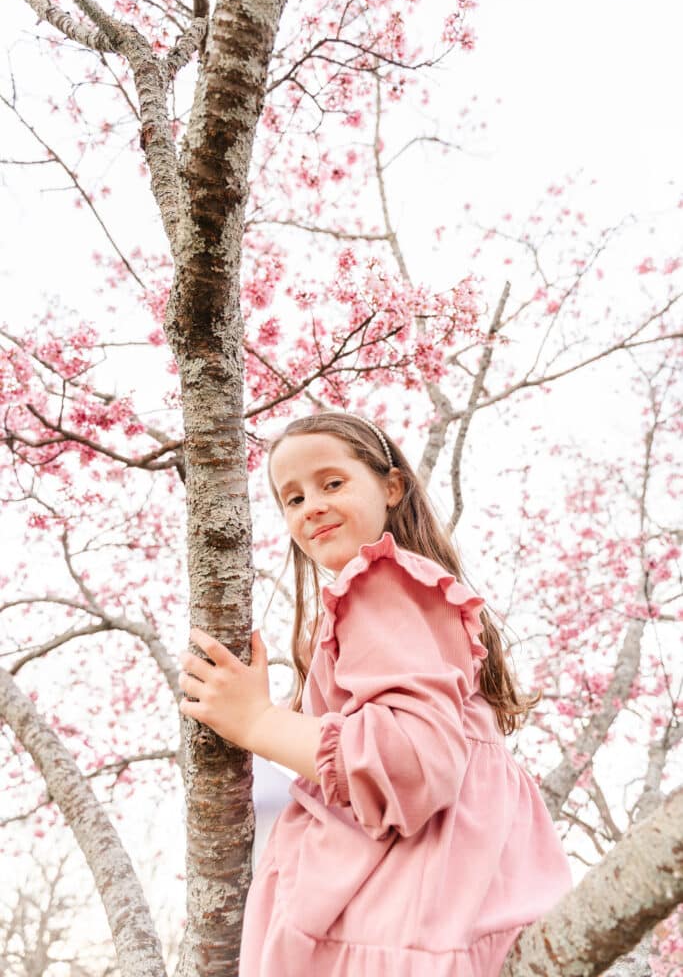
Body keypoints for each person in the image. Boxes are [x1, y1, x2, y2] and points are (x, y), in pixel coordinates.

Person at [179, 411, 573, 977]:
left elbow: (408, 761)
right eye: (291, 499)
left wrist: (258, 722)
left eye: (331, 483)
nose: (310, 505)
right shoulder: (393, 595)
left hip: (411, 906)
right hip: (444, 893)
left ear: (391, 487)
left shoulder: (379, 583)